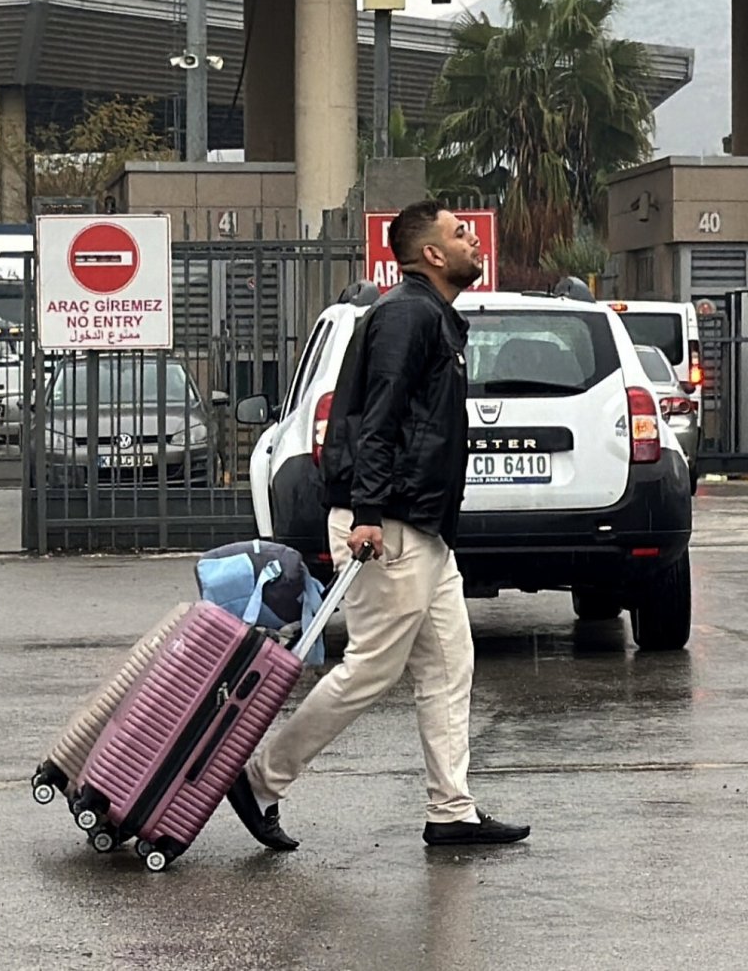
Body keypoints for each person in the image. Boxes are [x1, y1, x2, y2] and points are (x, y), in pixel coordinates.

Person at [227, 201, 531, 849]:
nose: (471, 240)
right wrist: (366, 513)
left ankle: (450, 810)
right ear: (430, 254)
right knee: (369, 668)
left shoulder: (431, 317)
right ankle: (258, 780)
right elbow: (375, 418)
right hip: (388, 523)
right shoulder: (405, 315)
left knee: (450, 664)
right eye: (458, 234)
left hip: (420, 526)